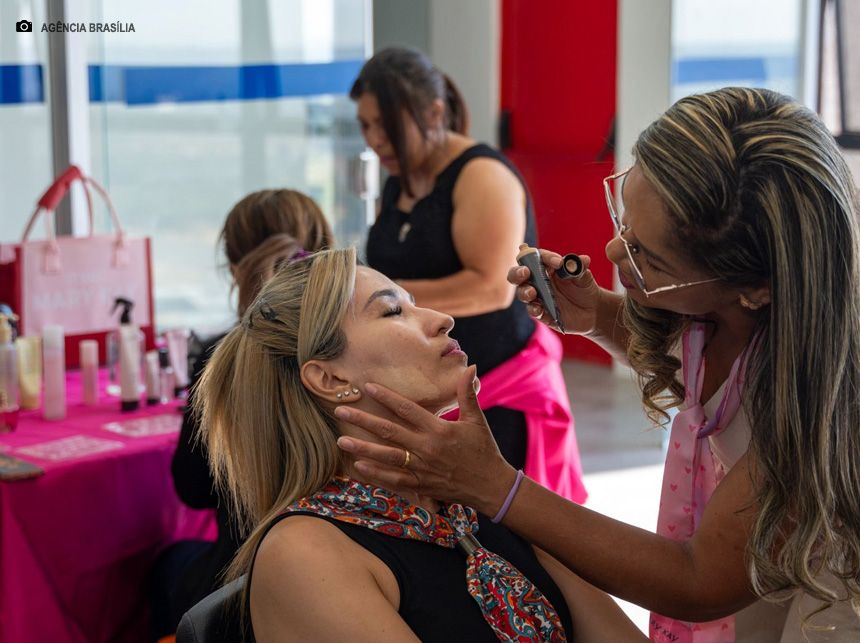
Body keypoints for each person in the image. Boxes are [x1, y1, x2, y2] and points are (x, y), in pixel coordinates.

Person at [333, 87, 860, 641]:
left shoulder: (823, 402)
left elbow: (698, 579)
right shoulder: (734, 313)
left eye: (648, 257)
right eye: (624, 218)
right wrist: (601, 317)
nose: (613, 250)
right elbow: (700, 369)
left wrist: (497, 487)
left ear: (754, 289)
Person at [194, 247, 647, 642]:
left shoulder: (477, 496)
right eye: (393, 311)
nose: (442, 318)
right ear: (330, 378)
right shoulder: (306, 554)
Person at [354, 47, 586, 503]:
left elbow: (490, 287)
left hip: (495, 388)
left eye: (387, 125)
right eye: (365, 126)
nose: (376, 140)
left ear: (434, 112)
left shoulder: (482, 176)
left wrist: (381, 302)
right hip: (434, 385)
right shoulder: (400, 179)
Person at [151, 189, 334, 639]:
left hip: (244, 584)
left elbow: (193, 488)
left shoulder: (221, 361)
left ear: (235, 267)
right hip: (350, 566)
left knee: (165, 565)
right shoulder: (356, 354)